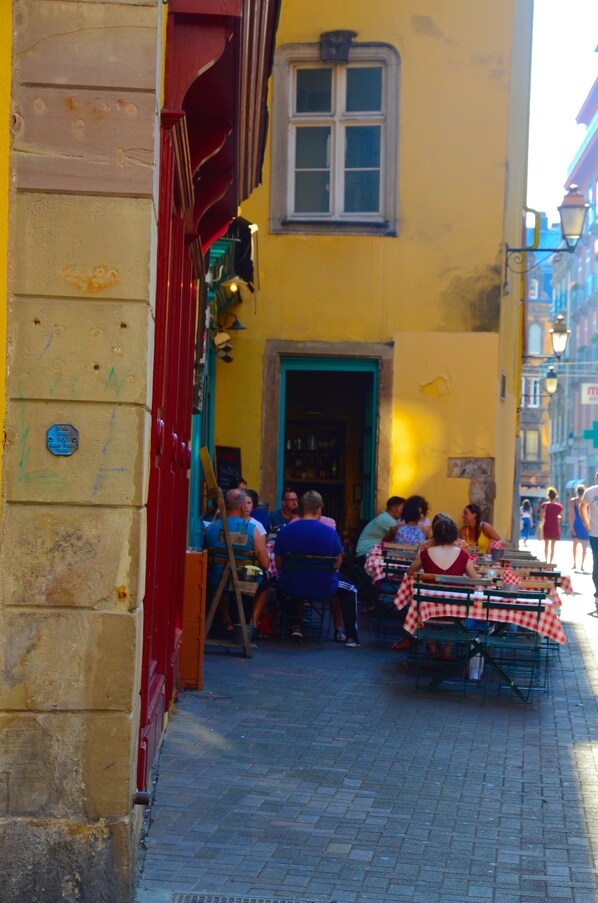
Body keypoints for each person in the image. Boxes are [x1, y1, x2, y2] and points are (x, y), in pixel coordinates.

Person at [275, 490, 360, 646]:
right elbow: (337, 564)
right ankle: (351, 636)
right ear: (319, 509)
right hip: (323, 587)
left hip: (291, 586)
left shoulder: (285, 530)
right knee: (351, 589)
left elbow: (279, 565)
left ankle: (294, 624)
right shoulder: (329, 532)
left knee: (276, 582)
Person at [408, 514, 479, 659]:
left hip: (429, 610)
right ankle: (448, 649)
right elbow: (476, 580)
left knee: (423, 605)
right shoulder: (462, 555)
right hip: (455, 612)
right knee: (457, 609)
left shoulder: (425, 553)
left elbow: (410, 572)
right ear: (454, 535)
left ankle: (432, 646)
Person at [204, 488, 270, 635]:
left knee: (221, 580)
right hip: (246, 580)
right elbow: (265, 564)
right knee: (265, 583)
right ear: (242, 507)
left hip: (216, 579)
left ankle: (227, 620)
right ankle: (251, 624)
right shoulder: (253, 529)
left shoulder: (211, 528)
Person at [355, 496, 405, 561]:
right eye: (402, 509)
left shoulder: (385, 516)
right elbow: (403, 536)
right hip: (366, 554)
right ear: (394, 508)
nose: (403, 512)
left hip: (366, 553)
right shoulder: (387, 519)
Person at [580, 472, 598, 606]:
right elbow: (583, 506)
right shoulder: (590, 492)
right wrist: (587, 523)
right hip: (595, 533)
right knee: (597, 563)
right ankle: (597, 593)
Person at [539, 487, 563, 564]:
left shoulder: (544, 505)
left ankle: (546, 560)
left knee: (546, 545)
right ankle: (551, 561)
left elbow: (541, 516)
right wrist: (557, 517)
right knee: (553, 546)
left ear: (548, 496)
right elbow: (562, 518)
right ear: (555, 496)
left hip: (547, 525)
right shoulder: (559, 507)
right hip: (555, 526)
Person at [570, 484, 589, 572]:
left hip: (576, 523)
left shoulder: (573, 501)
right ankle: (582, 565)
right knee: (584, 546)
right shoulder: (587, 500)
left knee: (575, 545)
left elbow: (571, 515)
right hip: (585, 523)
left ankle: (574, 563)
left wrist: (571, 527)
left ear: (576, 491)